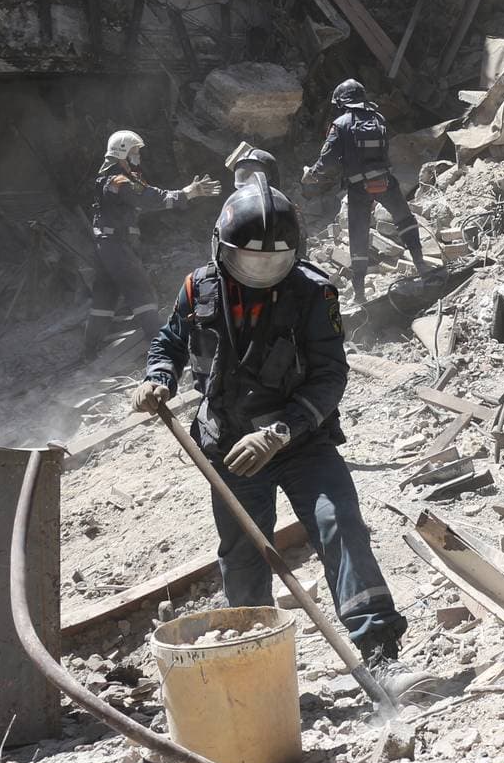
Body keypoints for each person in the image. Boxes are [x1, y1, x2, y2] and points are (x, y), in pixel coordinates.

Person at [132, 179, 407, 665]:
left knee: (339, 524)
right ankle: (258, 665)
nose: (262, 272)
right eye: (249, 260)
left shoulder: (314, 294)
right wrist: (159, 378)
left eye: (274, 262)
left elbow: (329, 375)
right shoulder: (199, 287)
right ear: (221, 248)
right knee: (242, 558)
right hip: (231, 448)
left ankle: (381, 651)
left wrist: (279, 432)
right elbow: (170, 343)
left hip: (301, 443)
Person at [85, 130, 220, 358]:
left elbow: (145, 196)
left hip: (104, 246)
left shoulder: (109, 179)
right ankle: (163, 346)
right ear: (123, 153)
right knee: (142, 292)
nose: (138, 155)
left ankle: (89, 352)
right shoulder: (120, 180)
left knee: (104, 297)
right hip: (117, 246)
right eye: (135, 151)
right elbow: (150, 198)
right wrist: (186, 193)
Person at [304, 82, 427, 301]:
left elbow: (327, 160)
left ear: (342, 102)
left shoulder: (340, 124)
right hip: (385, 181)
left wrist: (312, 173)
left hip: (359, 187)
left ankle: (359, 293)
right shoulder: (379, 118)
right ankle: (421, 265)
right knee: (405, 219)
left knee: (358, 234)